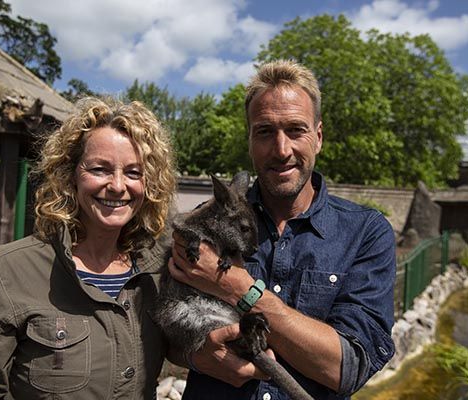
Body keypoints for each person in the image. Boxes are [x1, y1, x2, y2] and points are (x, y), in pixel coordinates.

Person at [168, 60, 396, 399]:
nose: (281, 150)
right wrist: (197, 356)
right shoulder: (211, 219)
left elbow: (346, 368)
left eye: (295, 130)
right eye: (265, 132)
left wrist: (239, 290)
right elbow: (164, 328)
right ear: (249, 140)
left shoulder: (366, 233)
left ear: (318, 138)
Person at [0, 97, 177, 399]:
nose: (117, 185)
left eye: (133, 173)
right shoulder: (3, 275)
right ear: (70, 174)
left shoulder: (158, 273)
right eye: (100, 169)